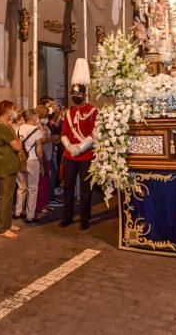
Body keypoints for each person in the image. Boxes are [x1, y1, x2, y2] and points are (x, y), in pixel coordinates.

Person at [60, 58, 98, 230]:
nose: (75, 97)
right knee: (68, 187)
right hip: (70, 154)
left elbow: (94, 134)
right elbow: (64, 133)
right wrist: (69, 147)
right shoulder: (69, 112)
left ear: (84, 95)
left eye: (78, 95)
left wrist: (80, 148)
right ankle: (67, 217)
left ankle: (85, 219)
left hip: (86, 154)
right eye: (73, 95)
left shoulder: (92, 110)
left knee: (85, 189)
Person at [0, 100, 22, 238]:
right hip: (5, 166)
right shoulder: (1, 127)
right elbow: (17, 146)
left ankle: (7, 223)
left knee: (8, 197)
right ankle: (2, 228)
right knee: (5, 198)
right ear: (8, 111)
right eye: (13, 109)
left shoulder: (5, 126)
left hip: (9, 165)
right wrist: (18, 141)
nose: (14, 112)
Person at [14, 108, 45, 223]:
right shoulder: (36, 131)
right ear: (33, 117)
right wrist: (41, 164)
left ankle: (18, 211)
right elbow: (39, 150)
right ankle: (30, 215)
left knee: (21, 186)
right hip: (32, 160)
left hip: (20, 160)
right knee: (32, 188)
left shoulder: (18, 128)